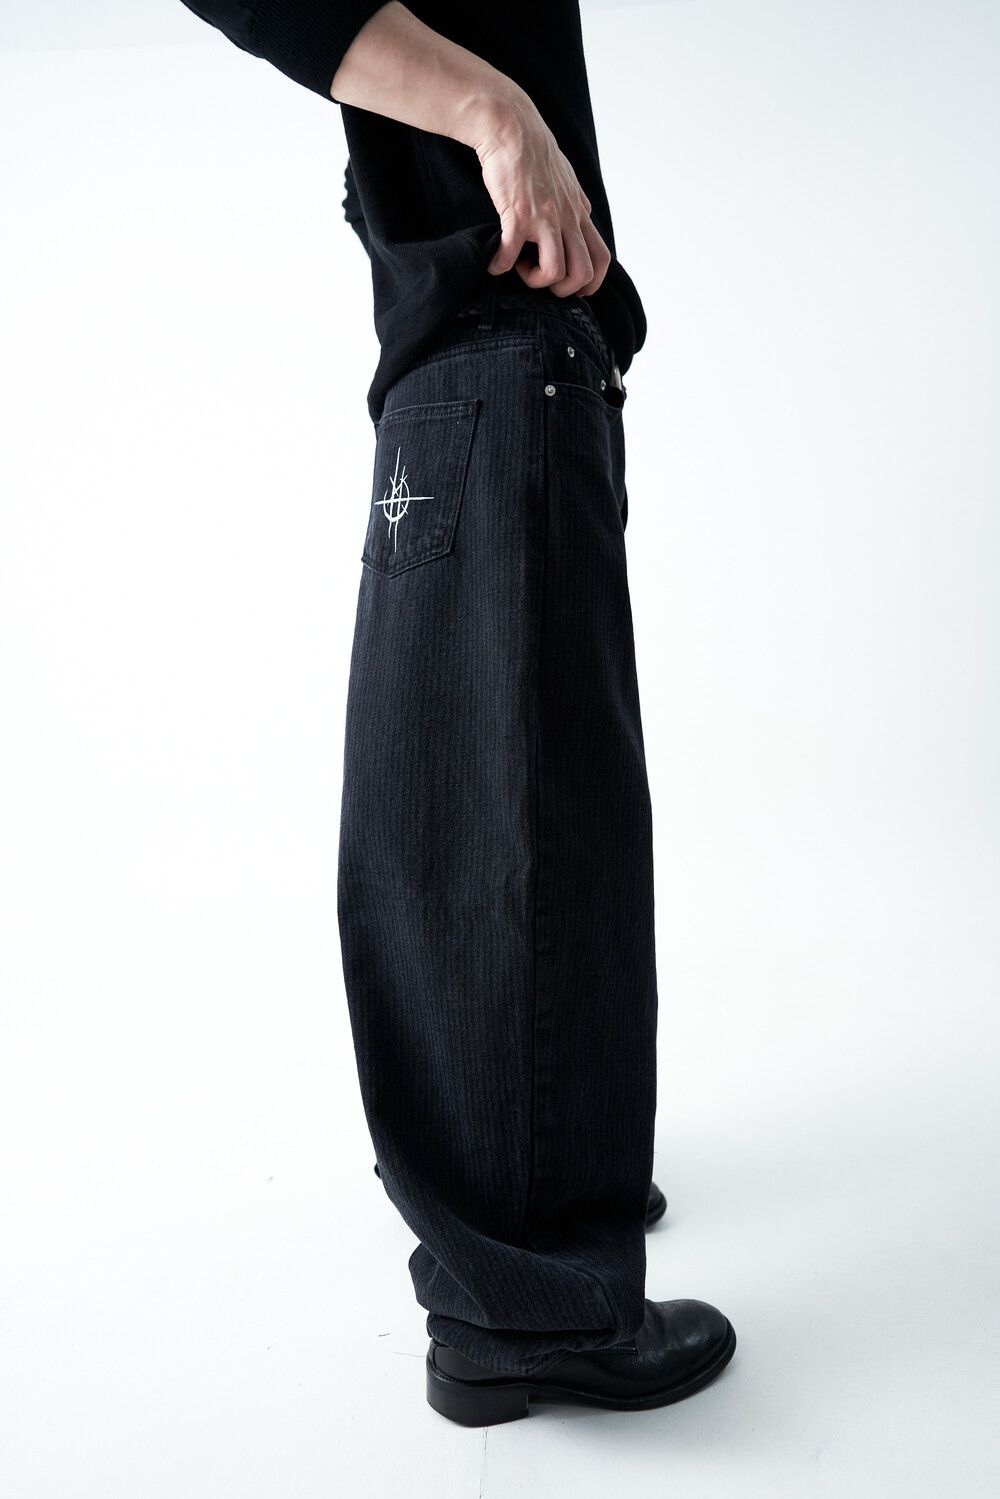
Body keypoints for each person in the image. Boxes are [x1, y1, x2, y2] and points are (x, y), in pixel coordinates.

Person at [178, 0, 736, 1425]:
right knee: (511, 828)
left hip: (493, 372)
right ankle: (525, 1301)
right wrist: (493, 111)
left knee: (533, 814)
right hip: (495, 357)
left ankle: (547, 1171)